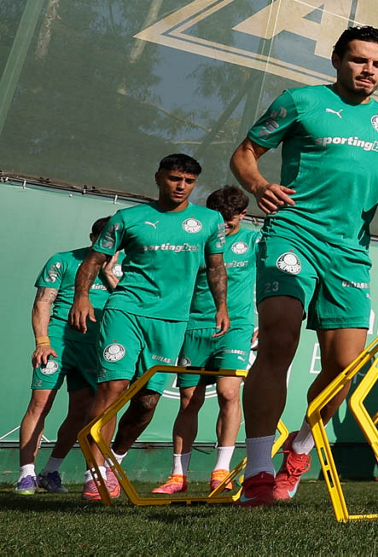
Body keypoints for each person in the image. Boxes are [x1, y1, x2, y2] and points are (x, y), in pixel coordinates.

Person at [230, 25, 378, 506]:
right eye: (358, 60)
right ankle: (260, 471)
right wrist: (258, 184)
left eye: (377, 63)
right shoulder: (300, 101)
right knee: (280, 339)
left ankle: (300, 449)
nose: (368, 70)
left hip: (350, 251)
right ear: (336, 60)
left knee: (345, 368)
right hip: (293, 234)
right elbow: (244, 153)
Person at [70, 154, 228, 500]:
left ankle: (114, 461)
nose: (181, 186)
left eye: (188, 181)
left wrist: (221, 307)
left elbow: (215, 267)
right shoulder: (128, 218)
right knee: (112, 388)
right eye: (174, 178)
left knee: (147, 402)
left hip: (172, 321)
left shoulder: (209, 220)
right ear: (158, 178)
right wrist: (81, 296)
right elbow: (94, 260)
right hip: (126, 310)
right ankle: (94, 474)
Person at [153, 186, 261, 495]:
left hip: (236, 327)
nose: (224, 226)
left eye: (230, 221)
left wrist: (266, 325)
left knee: (229, 393)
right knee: (189, 401)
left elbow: (273, 281)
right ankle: (178, 476)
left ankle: (221, 471)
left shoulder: (254, 242)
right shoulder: (198, 239)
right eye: (219, 219)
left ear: (243, 215)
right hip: (194, 327)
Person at [14, 218, 117, 495]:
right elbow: (43, 302)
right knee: (40, 404)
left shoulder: (123, 271)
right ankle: (26, 475)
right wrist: (42, 342)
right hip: (57, 342)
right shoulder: (63, 261)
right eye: (101, 237)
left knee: (81, 411)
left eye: (112, 240)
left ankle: (51, 471)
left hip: (93, 349)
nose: (106, 244)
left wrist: (108, 272)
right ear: (92, 236)